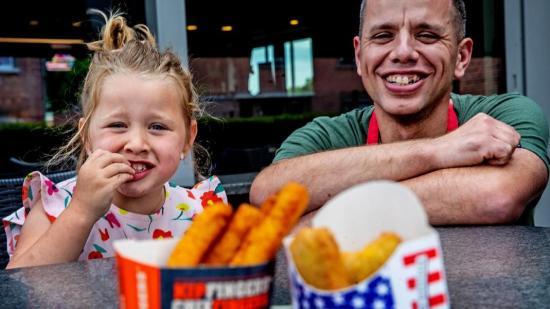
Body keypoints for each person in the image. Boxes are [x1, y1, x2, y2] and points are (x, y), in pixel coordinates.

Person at [250, 0, 549, 225]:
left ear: (461, 56)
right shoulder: (328, 134)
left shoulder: (506, 114)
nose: (403, 52)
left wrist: (321, 218)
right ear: (359, 55)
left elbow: (499, 196)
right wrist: (439, 151)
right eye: (382, 36)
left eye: (427, 35)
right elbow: (268, 194)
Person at [3, 12, 227, 268]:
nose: (136, 143)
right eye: (118, 125)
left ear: (188, 138)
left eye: (157, 126)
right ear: (87, 136)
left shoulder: (202, 212)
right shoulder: (57, 205)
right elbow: (20, 287)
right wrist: (82, 211)